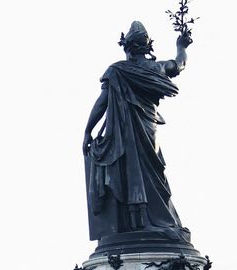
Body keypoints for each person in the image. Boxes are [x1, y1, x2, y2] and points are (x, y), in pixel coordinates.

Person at [81, 19, 193, 245]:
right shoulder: (156, 68)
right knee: (153, 174)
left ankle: (138, 222)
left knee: (131, 172)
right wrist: (181, 46)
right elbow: (179, 64)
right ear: (147, 47)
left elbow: (102, 102)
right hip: (149, 131)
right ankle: (152, 222)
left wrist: (87, 131)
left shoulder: (116, 71)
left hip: (124, 134)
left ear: (127, 47)